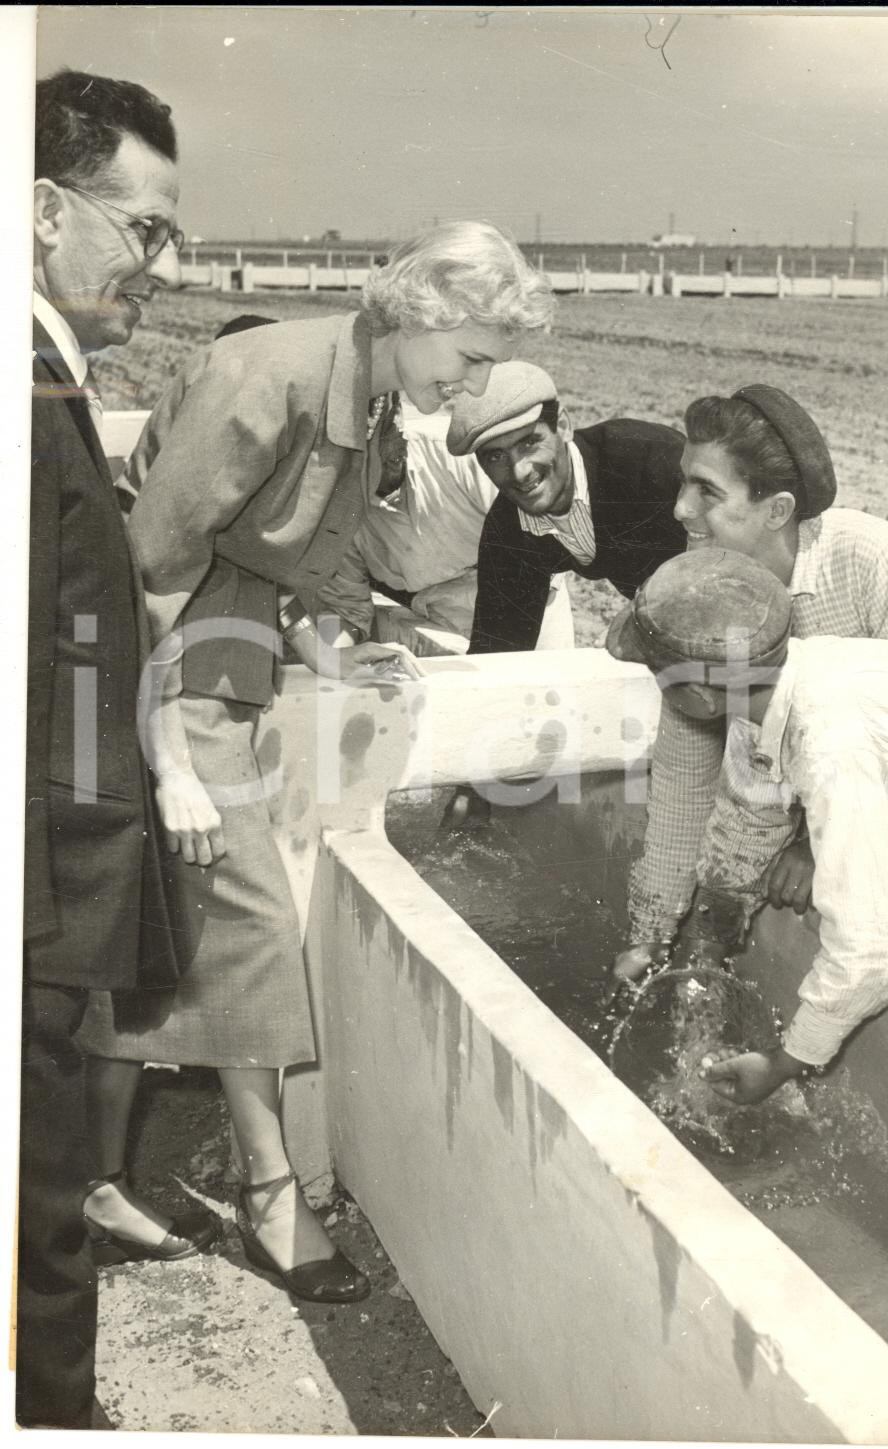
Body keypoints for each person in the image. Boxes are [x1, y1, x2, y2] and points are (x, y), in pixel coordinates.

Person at [76, 221, 554, 1305]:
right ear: (419, 316)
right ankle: (268, 1192)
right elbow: (146, 572)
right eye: (470, 356)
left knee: (164, 924)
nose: (474, 382)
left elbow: (290, 564)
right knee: (248, 919)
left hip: (226, 660)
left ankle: (96, 1179)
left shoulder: (374, 401)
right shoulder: (271, 375)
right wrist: (169, 762)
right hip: (157, 670)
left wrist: (340, 645)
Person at [23, 68, 190, 1429]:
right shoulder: (26, 410)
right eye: (143, 229)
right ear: (39, 212)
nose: (164, 266)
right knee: (38, 1222)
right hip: (33, 919)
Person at [607, 548, 888, 1105]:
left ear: (694, 695)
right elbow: (745, 824)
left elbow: (871, 948)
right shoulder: (759, 688)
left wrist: (784, 1061)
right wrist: (689, 944)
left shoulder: (831, 744)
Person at [610, 384, 888, 985]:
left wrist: (818, 850)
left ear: (778, 510)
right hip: (786, 800)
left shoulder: (870, 560)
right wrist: (651, 932)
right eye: (684, 483)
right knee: (702, 941)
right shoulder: (695, 590)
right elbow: (685, 779)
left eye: (706, 490)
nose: (680, 510)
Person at [446, 360, 686, 654]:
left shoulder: (652, 462)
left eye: (530, 442)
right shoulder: (508, 528)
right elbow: (499, 652)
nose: (520, 471)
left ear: (563, 425)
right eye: (496, 457)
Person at [317, 394, 574, 656]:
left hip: (527, 592)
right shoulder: (332, 508)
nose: (397, 439)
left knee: (547, 689)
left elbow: (536, 549)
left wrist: (493, 660)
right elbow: (346, 609)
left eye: (396, 425)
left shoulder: (460, 453)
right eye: (380, 450)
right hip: (435, 610)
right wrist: (330, 664)